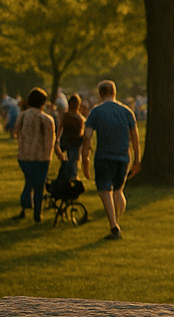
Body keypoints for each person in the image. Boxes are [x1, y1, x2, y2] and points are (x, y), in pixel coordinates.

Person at [82, 80, 141, 239]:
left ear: (100, 93)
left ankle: (114, 225)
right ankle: (118, 221)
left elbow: (87, 135)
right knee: (118, 190)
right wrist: (137, 159)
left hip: (103, 156)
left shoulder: (96, 112)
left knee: (104, 190)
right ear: (114, 92)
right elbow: (135, 137)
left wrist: (85, 158)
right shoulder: (127, 111)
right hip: (123, 157)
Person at [13, 88, 56, 223]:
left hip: (24, 156)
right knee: (39, 186)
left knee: (29, 182)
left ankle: (24, 208)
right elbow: (50, 140)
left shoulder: (23, 116)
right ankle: (38, 213)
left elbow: (15, 132)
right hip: (41, 157)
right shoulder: (46, 119)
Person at [54, 93, 85, 186]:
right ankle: (72, 177)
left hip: (67, 141)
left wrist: (57, 140)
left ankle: (66, 177)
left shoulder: (66, 116)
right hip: (74, 142)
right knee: (73, 160)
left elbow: (60, 128)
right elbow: (81, 132)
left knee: (68, 161)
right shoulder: (79, 118)